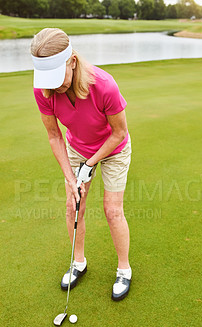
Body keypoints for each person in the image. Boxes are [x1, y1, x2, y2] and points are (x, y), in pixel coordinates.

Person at [31, 28, 132, 301]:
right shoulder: (45, 90)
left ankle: (124, 269)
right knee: (73, 204)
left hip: (113, 149)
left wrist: (91, 163)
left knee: (112, 210)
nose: (54, 86)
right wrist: (70, 176)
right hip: (77, 147)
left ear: (72, 61)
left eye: (58, 76)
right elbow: (54, 135)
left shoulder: (104, 85)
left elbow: (119, 133)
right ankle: (78, 263)